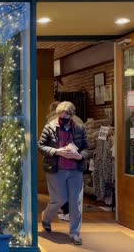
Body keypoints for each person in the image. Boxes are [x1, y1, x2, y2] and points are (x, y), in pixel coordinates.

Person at [38, 101, 89, 245]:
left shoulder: (79, 128)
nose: (63, 118)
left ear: (71, 116)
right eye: (61, 115)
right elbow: (40, 145)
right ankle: (46, 218)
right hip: (56, 169)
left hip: (75, 170)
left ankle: (75, 233)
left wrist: (80, 156)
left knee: (76, 202)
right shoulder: (50, 127)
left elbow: (87, 148)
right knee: (59, 199)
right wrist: (56, 151)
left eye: (66, 115)